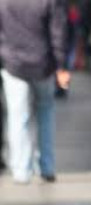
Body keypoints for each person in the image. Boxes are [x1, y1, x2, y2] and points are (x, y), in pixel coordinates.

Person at [0, 0, 70, 185]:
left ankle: (21, 170)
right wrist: (61, 65)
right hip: (43, 64)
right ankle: (47, 166)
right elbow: (58, 32)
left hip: (13, 63)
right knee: (45, 112)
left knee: (18, 117)